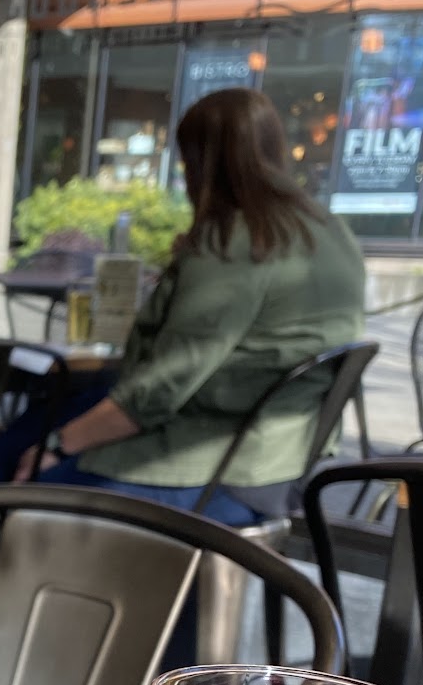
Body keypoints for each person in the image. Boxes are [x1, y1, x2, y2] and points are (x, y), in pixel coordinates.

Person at [31, 87, 367, 527]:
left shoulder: (235, 242)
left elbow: (161, 387)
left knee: (20, 483)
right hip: (287, 461)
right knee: (50, 420)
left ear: (200, 162)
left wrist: (58, 446)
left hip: (216, 468)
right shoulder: (331, 230)